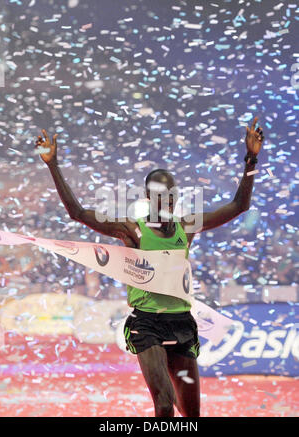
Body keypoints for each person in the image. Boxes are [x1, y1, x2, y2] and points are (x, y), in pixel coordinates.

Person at [34, 116, 264, 417]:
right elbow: (77, 212)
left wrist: (251, 159)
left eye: (171, 196)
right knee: (165, 405)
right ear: (149, 199)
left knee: (191, 415)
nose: (166, 201)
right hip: (147, 325)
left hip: (182, 323)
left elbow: (239, 207)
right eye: (160, 196)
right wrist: (52, 165)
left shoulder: (187, 226)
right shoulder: (132, 230)